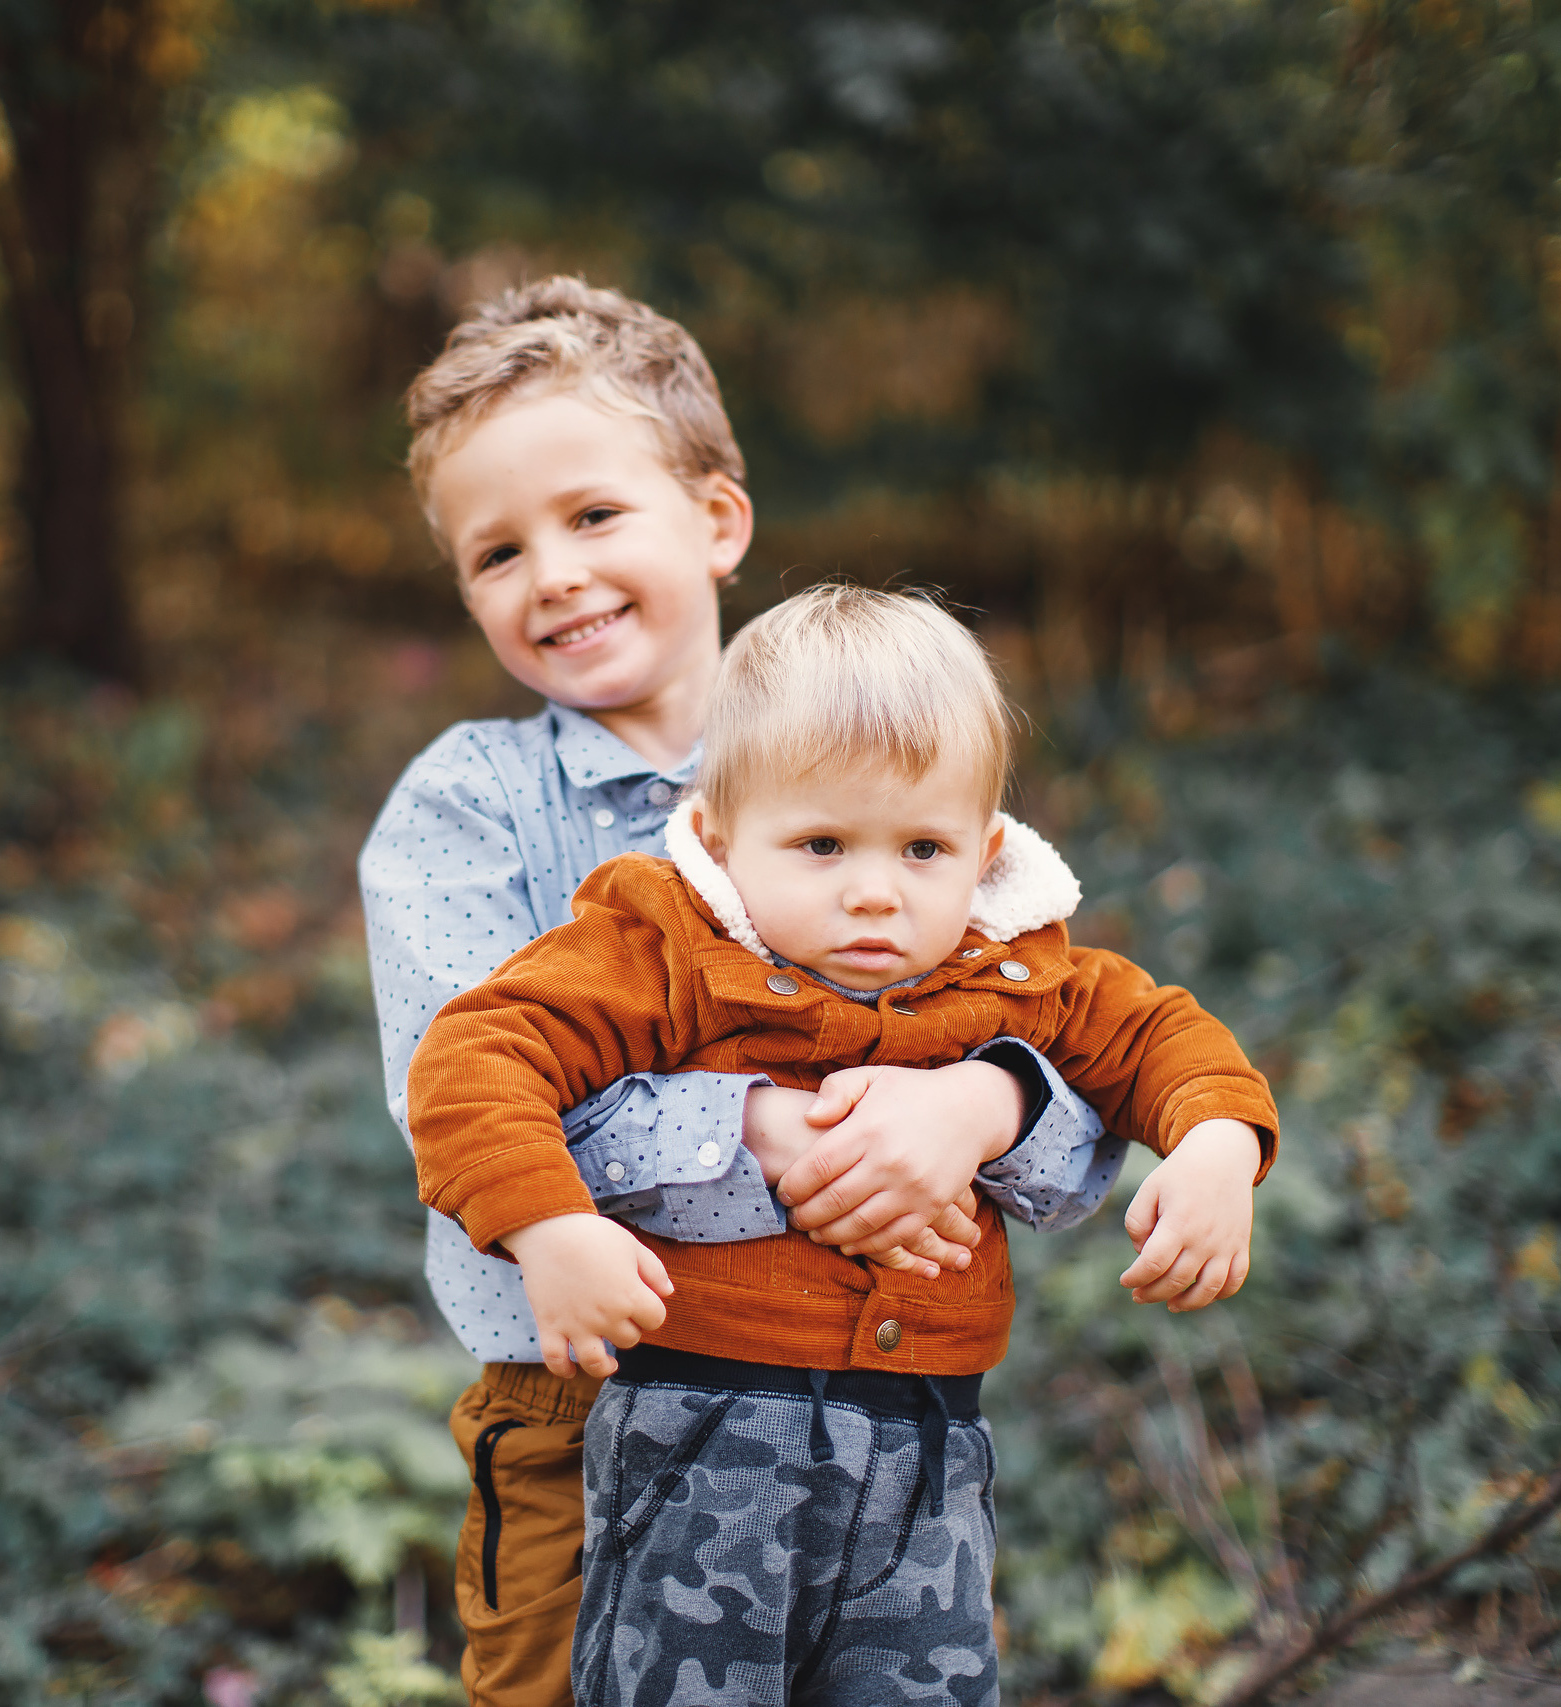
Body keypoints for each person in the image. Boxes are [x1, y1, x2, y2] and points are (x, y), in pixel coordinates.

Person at [359, 279, 1134, 1707]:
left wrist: (978, 1101)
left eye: (593, 515)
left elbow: (1078, 1067)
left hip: (878, 1416)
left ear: (717, 520)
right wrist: (764, 1131)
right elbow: (456, 1101)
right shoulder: (468, 810)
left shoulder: (869, 752)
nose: (554, 574)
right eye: (497, 551)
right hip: (576, 1405)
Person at [408, 584, 1279, 1705]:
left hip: (925, 1452)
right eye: (821, 844)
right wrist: (547, 1223)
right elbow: (479, 1050)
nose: (875, 893)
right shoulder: (668, 942)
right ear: (722, 836)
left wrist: (1212, 1144)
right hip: (703, 1438)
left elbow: (1162, 1034)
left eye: (923, 847)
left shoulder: (1013, 967)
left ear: (985, 849)